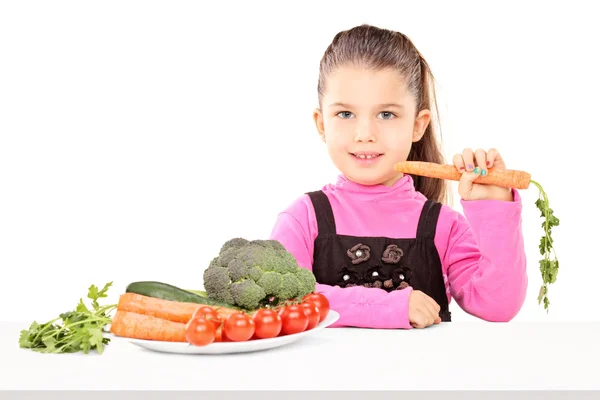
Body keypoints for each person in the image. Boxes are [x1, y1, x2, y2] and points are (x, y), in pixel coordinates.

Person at [269, 24, 527, 329]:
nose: (365, 134)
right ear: (321, 124)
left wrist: (493, 209)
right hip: (324, 378)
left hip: (427, 377)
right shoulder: (303, 218)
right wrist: (388, 306)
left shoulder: (446, 226)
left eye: (387, 114)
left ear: (418, 125)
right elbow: (281, 302)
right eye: (345, 114)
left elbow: (498, 306)